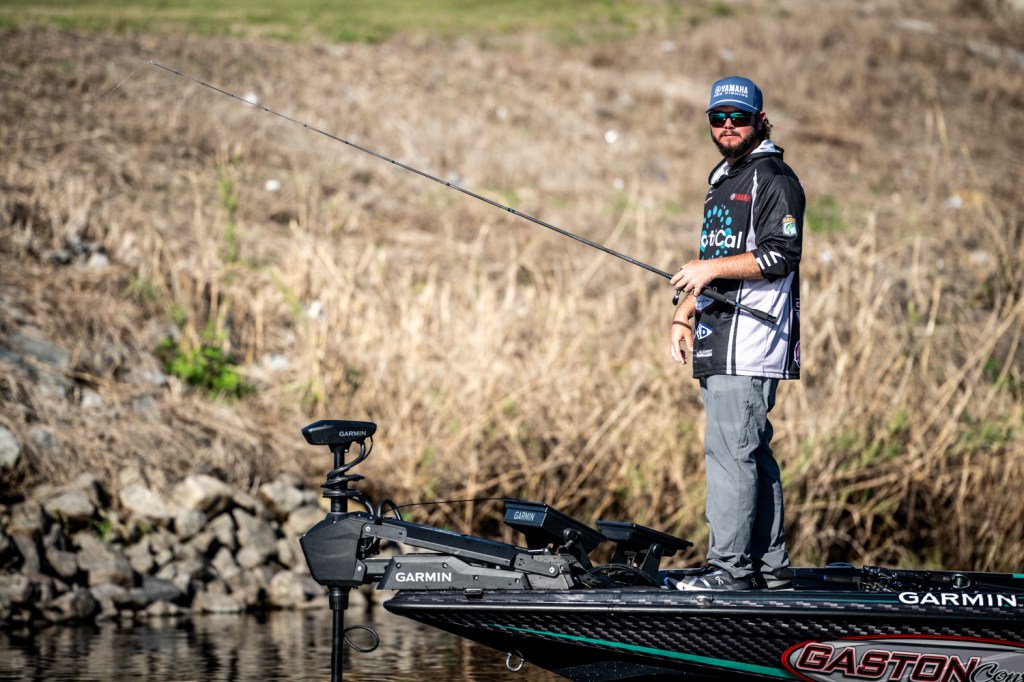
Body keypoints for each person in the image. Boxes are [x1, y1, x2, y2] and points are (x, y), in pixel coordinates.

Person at [668, 76, 804, 591]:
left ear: (760, 121)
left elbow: (779, 255)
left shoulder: (775, 178)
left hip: (750, 341)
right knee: (752, 453)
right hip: (718, 336)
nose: (728, 125)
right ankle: (770, 569)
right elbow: (715, 263)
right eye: (718, 117)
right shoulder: (723, 179)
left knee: (730, 455)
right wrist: (685, 312)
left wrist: (707, 269)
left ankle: (728, 571)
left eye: (739, 117)